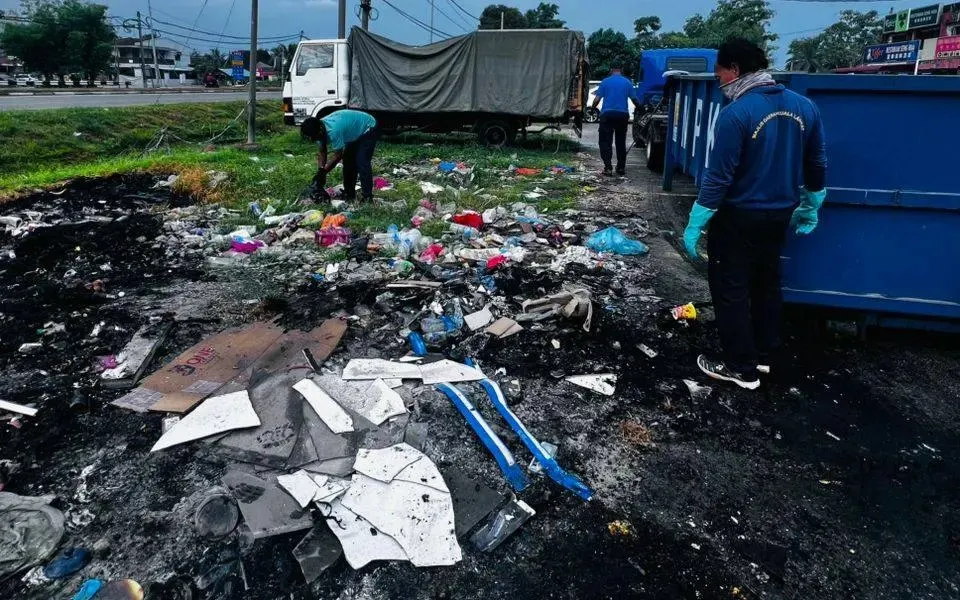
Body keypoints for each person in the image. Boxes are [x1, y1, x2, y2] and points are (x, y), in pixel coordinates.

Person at [682, 38, 827, 390]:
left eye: (719, 74)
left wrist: (696, 221)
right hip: (779, 215)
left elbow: (719, 177)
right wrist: (812, 203)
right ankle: (763, 356)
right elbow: (817, 162)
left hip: (738, 217)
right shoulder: (804, 107)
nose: (719, 82)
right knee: (766, 284)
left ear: (734, 69)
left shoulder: (737, 113)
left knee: (730, 288)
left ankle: (740, 367)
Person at [300, 109, 378, 202]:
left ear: (320, 131)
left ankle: (367, 197)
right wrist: (320, 170)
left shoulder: (334, 130)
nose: (312, 139)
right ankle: (349, 194)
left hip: (368, 126)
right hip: (353, 131)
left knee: (362, 162)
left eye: (312, 137)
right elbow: (322, 152)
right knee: (348, 163)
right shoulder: (318, 130)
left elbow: (338, 155)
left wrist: (324, 172)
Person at [590, 63, 641, 177]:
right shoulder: (627, 82)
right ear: (621, 69)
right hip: (622, 115)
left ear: (611, 69)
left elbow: (597, 99)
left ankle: (608, 168)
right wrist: (641, 109)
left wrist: (593, 109)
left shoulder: (605, 82)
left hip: (607, 115)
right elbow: (635, 100)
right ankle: (621, 168)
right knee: (620, 142)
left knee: (605, 141)